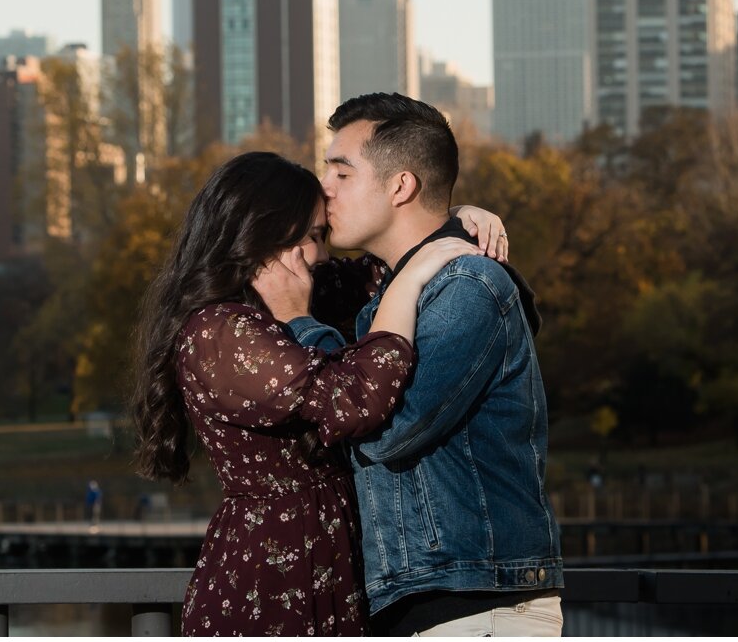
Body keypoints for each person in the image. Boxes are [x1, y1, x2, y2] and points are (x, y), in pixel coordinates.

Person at [131, 150, 496, 635]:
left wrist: (451, 220)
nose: (324, 254)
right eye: (314, 237)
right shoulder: (220, 332)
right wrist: (407, 286)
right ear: (266, 238)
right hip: (272, 578)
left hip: (324, 563)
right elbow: (355, 399)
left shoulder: (274, 311)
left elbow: (379, 267)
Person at [289, 93, 563, 636]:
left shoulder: (467, 286)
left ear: (401, 186)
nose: (324, 189)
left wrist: (295, 318)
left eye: (341, 173)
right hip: (431, 600)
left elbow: (386, 429)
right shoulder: (395, 292)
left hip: (474, 604)